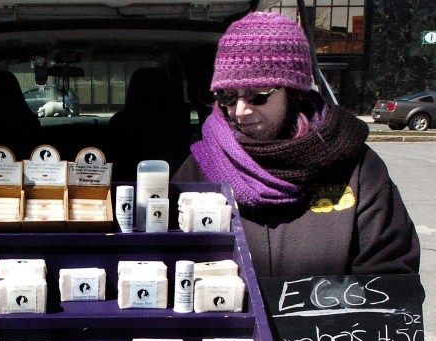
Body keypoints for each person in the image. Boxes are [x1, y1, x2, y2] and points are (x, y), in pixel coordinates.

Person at [172, 11, 420, 277]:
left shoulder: (355, 169)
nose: (240, 110)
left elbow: (392, 276)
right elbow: (165, 259)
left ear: (294, 91)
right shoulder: (202, 167)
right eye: (228, 96)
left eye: (257, 95)